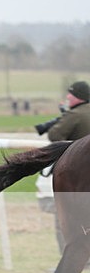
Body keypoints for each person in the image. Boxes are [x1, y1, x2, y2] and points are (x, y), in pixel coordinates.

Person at [35, 81, 90, 253]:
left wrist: (65, 117)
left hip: (76, 175)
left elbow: (54, 135)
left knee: (65, 220)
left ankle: (72, 260)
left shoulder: (75, 115)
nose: (67, 97)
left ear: (79, 97)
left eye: (71, 94)